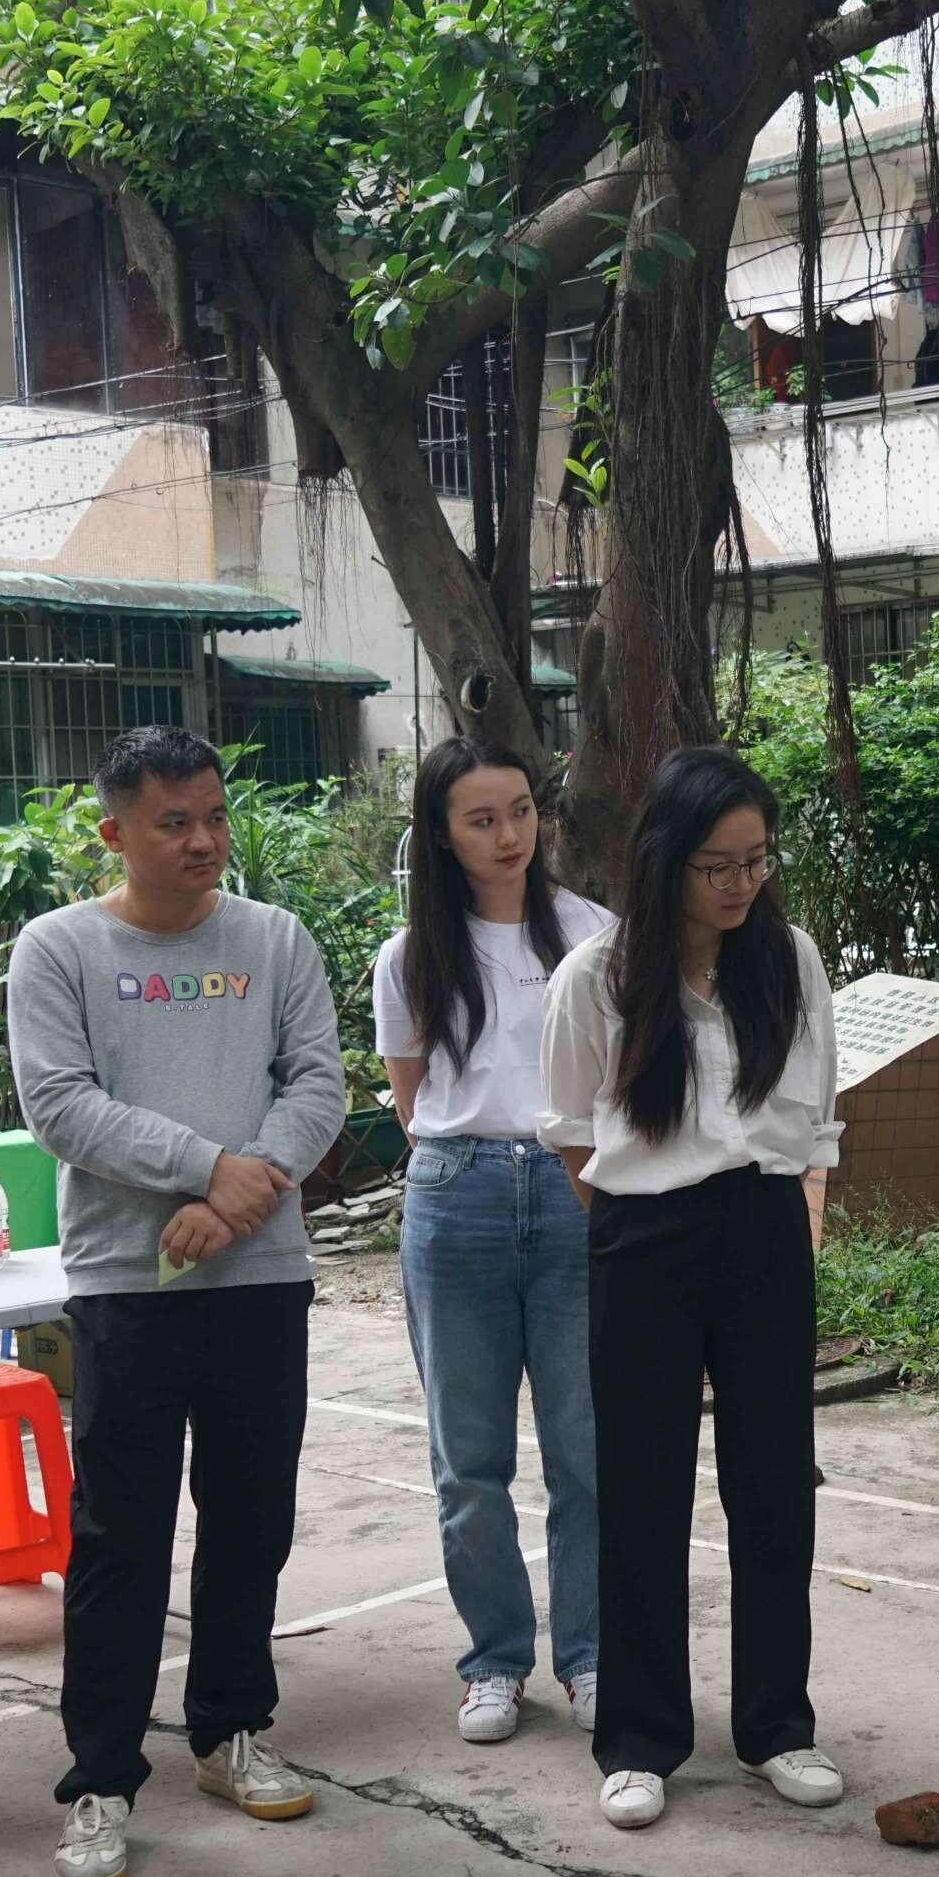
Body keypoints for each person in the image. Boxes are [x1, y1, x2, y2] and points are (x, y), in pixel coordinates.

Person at [8, 727, 346, 1877]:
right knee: (121, 1537)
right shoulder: (58, 949)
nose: (201, 840)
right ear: (112, 831)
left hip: (257, 1277)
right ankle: (100, 1777)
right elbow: (60, 1105)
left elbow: (317, 1083)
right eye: (171, 821)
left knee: (253, 1518)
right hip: (123, 1282)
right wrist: (211, 1167)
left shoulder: (274, 940)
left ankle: (228, 1730)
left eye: (212, 815)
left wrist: (238, 1202)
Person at [536, 746, 846, 1833]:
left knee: (773, 1485)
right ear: (663, 860)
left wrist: (790, 1228)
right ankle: (638, 1735)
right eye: (717, 863)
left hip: (763, 1227)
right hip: (642, 1237)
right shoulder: (597, 976)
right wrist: (641, 1227)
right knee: (640, 1486)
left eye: (756, 860)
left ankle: (777, 1724)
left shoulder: (788, 959)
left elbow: (817, 1115)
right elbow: (574, 1132)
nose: (739, 883)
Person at [375, 738, 614, 1746]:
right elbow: (410, 1100)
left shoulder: (598, 937)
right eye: (481, 818)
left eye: (521, 811)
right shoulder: (411, 956)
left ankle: (595, 1655)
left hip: (579, 1194)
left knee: (587, 1450)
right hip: (456, 1197)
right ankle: (495, 1661)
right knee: (467, 1461)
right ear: (440, 832)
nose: (509, 834)